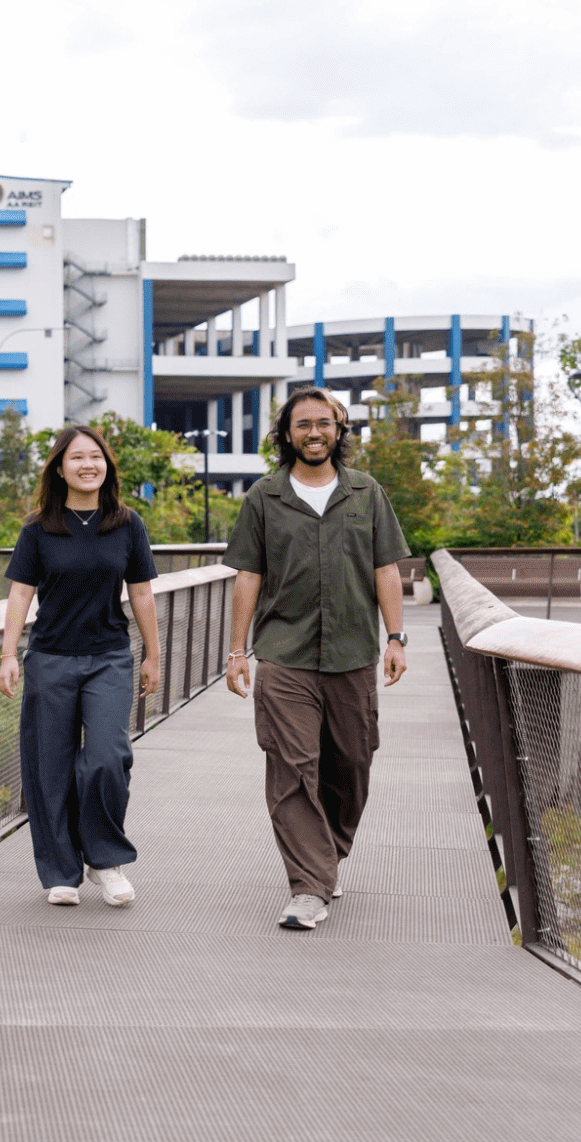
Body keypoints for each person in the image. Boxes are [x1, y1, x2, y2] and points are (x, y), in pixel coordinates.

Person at [222, 387, 410, 930]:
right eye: (302, 425)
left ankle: (326, 851)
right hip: (284, 652)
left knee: (352, 762)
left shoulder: (366, 492)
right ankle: (308, 886)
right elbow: (248, 575)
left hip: (353, 651)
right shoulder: (264, 497)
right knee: (291, 763)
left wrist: (396, 638)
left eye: (323, 424)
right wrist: (238, 650)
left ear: (338, 431)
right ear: (286, 434)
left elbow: (386, 570)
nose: (313, 433)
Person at [0, 424, 162, 907]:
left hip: (109, 656)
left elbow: (143, 592)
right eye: (76, 458)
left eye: (96, 457)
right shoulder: (39, 527)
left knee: (108, 757)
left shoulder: (126, 523)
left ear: (106, 465)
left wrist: (153, 654)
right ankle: (60, 871)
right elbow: (20, 593)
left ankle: (105, 860)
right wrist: (9, 654)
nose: (88, 465)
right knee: (50, 766)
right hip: (49, 658)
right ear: (59, 468)